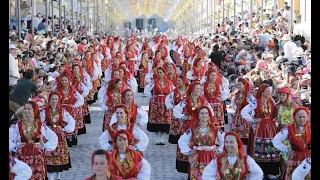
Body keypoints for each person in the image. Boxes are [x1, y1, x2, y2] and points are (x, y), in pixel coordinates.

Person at [9, 101, 58, 180]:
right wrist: (15, 146)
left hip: (37, 156)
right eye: (25, 109)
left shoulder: (40, 125)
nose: (26, 111)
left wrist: (44, 146)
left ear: (34, 110)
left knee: (37, 176)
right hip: (22, 156)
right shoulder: (18, 125)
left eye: (29, 109)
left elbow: (53, 137)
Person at [178, 106, 225, 179]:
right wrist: (189, 152)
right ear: (198, 116)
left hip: (211, 156)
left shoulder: (215, 129)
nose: (204, 115)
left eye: (206, 113)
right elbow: (182, 141)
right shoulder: (192, 129)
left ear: (209, 115)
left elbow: (224, 140)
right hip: (197, 157)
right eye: (202, 113)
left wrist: (219, 151)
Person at [246, 84, 281, 179]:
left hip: (271, 127)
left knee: (271, 147)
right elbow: (244, 112)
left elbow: (274, 114)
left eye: (270, 92)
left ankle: (271, 171)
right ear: (262, 92)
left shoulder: (272, 101)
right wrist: (253, 120)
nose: (269, 93)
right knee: (260, 147)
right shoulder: (256, 102)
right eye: (267, 92)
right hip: (260, 128)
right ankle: (260, 171)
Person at [40, 92, 75, 180]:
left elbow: (71, 121)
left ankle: (58, 176)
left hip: (60, 137)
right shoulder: (44, 111)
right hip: (49, 137)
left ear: (58, 100)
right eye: (52, 99)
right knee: (50, 155)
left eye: (56, 99)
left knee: (59, 156)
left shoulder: (62, 111)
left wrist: (64, 129)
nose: (54, 101)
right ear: (49, 100)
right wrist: (46, 130)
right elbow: (40, 123)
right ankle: (51, 177)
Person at [272, 106, 311, 180]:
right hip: (295, 157)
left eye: (304, 117)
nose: (302, 119)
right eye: (299, 117)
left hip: (308, 157)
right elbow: (275, 140)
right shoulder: (289, 128)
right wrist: (286, 150)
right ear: (295, 117)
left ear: (307, 117)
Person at [144, 67, 175, 145]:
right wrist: (151, 96)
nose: (160, 74)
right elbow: (146, 89)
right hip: (156, 103)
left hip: (165, 103)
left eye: (161, 72)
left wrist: (171, 99)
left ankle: (161, 139)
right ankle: (157, 139)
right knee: (156, 120)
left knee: (164, 120)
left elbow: (173, 91)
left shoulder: (169, 82)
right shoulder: (154, 82)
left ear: (164, 73)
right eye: (158, 72)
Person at [55, 72, 84, 146]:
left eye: (65, 80)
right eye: (62, 80)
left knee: (71, 124)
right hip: (61, 111)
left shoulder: (72, 90)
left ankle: (72, 141)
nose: (64, 82)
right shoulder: (57, 90)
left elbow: (80, 99)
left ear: (68, 80)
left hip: (70, 110)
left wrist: (74, 106)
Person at [229, 78, 257, 145]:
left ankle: (244, 150)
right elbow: (234, 104)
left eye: (240, 85)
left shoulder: (248, 95)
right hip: (237, 116)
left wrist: (249, 112)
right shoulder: (237, 94)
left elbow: (254, 104)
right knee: (236, 136)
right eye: (237, 85)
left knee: (244, 136)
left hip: (244, 118)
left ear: (244, 85)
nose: (238, 86)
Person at [165, 75, 189, 144]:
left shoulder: (189, 91)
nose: (177, 82)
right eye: (177, 80)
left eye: (179, 81)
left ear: (184, 81)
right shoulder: (174, 91)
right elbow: (167, 100)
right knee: (177, 137)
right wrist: (172, 107)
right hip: (177, 116)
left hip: (186, 114)